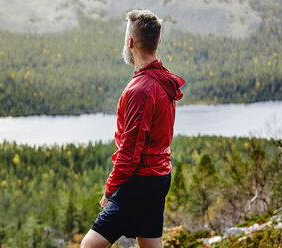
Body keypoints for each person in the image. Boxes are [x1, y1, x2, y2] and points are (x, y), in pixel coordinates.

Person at [81, 9, 185, 248]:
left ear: (129, 43)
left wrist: (110, 190)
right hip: (159, 177)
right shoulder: (163, 80)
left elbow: (130, 151)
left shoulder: (141, 89)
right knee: (150, 243)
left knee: (89, 245)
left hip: (139, 180)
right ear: (158, 41)